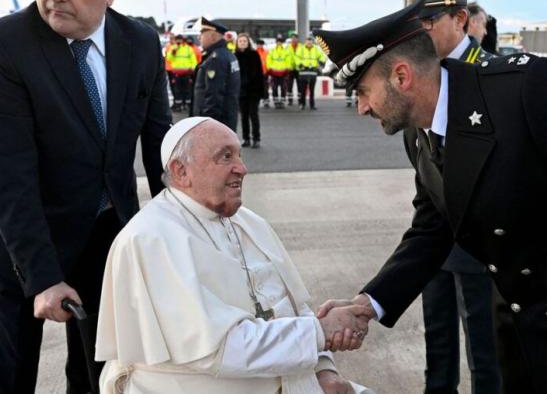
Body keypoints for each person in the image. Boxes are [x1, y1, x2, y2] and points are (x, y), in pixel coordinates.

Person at [315, 0, 547, 394]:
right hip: (525, 337)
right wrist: (369, 303)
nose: (361, 107)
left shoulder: (527, 89)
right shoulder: (418, 133)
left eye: (363, 92)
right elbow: (433, 228)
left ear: (401, 76)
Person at [0, 0, 172, 392]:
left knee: (103, 380)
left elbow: (160, 149)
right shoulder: (8, 45)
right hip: (17, 249)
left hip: (107, 240)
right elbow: (11, 175)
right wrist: (43, 278)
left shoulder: (140, 43)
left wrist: (182, 237)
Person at [96, 117, 374, 394]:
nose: (242, 168)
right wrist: (320, 332)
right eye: (225, 157)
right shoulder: (150, 239)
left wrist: (325, 370)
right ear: (181, 171)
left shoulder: (249, 222)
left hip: (290, 379)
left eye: (239, 156)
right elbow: (219, 349)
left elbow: (293, 306)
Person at [398, 0, 502, 394]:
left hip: (481, 249)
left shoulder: (494, 75)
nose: (418, 31)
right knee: (437, 343)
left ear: (460, 20)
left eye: (429, 20)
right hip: (435, 241)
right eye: (413, 22)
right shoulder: (418, 75)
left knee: (486, 351)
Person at [399, 0, 493, 66]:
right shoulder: (416, 68)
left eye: (427, 21)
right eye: (415, 23)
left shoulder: (493, 73)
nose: (418, 31)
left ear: (460, 19)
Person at [193, 17, 241, 132]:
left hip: (215, 126)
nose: (199, 37)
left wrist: (207, 127)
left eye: (202, 34)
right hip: (226, 122)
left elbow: (213, 97)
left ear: (213, 37)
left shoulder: (216, 59)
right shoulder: (228, 55)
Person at [235, 33, 264, 148]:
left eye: (244, 41)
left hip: (253, 91)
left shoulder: (254, 55)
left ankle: (256, 138)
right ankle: (246, 138)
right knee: (244, 116)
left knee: (253, 115)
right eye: (240, 41)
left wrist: (261, 91)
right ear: (237, 43)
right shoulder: (234, 56)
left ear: (248, 43)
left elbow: (260, 74)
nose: (242, 43)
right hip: (241, 91)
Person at [166, 34, 198, 112]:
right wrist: (174, 50)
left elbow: (194, 60)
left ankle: (187, 105)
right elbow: (169, 58)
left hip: (187, 72)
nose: (179, 41)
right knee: (177, 90)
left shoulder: (188, 48)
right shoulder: (173, 48)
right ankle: (178, 105)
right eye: (177, 39)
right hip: (176, 73)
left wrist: (193, 68)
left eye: (180, 39)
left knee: (187, 89)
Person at [295, 36, 327, 110]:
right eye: (308, 41)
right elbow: (297, 57)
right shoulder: (301, 49)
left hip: (313, 71)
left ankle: (312, 105)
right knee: (303, 90)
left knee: (312, 90)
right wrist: (300, 64)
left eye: (310, 41)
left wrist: (322, 61)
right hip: (303, 71)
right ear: (305, 42)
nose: (309, 42)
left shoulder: (316, 49)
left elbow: (322, 56)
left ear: (312, 42)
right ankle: (302, 104)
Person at [267, 34, 292, 109]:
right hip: (274, 73)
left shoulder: (286, 51)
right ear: (276, 42)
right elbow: (268, 60)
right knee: (274, 88)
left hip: (283, 73)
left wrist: (287, 68)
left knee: (283, 88)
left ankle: (283, 102)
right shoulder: (272, 51)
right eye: (278, 41)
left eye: (280, 42)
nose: (279, 43)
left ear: (282, 43)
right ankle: (276, 102)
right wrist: (270, 69)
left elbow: (288, 61)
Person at [286, 32, 301, 106]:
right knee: (289, 86)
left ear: (297, 39)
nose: (294, 39)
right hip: (290, 69)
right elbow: (285, 58)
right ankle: (290, 101)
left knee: (300, 86)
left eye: (295, 38)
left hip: (299, 69)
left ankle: (300, 100)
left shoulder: (301, 47)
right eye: (292, 38)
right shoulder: (287, 47)